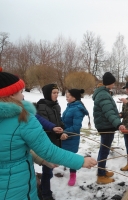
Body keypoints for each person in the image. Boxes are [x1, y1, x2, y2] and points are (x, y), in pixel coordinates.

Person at [0, 68, 97, 200]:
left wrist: (59, 132)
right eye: (20, 92)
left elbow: (14, 149)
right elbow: (48, 150)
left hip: (55, 142)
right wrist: (80, 161)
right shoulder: (24, 117)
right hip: (16, 188)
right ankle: (46, 193)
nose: (23, 96)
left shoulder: (58, 106)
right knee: (46, 174)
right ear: (10, 95)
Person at [93, 72, 126, 184]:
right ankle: (101, 176)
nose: (113, 85)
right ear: (110, 83)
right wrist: (118, 124)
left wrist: (118, 116)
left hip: (106, 125)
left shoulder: (104, 93)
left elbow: (110, 111)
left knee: (104, 150)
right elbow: (109, 113)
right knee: (104, 151)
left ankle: (102, 171)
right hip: (106, 127)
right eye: (113, 82)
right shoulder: (103, 95)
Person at [36, 83, 67, 199]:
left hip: (55, 140)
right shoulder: (42, 107)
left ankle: (44, 187)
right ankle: (45, 193)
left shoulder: (55, 105)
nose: (56, 95)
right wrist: (59, 135)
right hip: (48, 142)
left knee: (50, 168)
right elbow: (45, 127)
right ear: (47, 94)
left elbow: (58, 121)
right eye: (54, 93)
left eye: (57, 93)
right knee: (48, 169)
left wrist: (63, 128)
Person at [61, 89, 89, 186]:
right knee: (64, 154)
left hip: (71, 137)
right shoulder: (70, 106)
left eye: (68, 96)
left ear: (74, 97)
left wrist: (64, 132)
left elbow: (76, 127)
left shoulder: (77, 109)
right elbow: (64, 119)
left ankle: (73, 175)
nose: (66, 98)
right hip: (64, 135)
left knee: (71, 157)